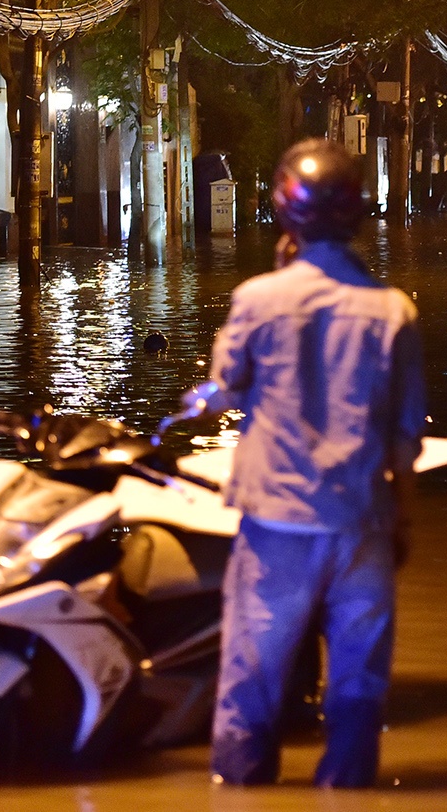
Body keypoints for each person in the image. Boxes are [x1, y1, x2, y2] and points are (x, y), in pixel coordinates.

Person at [178, 139, 425, 788]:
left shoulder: (257, 299)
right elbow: (404, 439)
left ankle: (241, 795)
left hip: (276, 526)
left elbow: (227, 385)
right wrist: (400, 522)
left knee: (251, 685)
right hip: (361, 524)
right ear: (357, 216)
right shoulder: (393, 309)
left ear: (285, 214)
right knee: (358, 687)